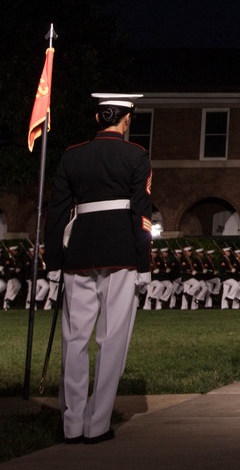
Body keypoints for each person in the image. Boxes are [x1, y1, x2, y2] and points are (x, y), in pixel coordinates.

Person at [43, 93, 153, 444]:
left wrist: (54, 263)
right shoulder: (136, 155)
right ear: (126, 120)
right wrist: (145, 263)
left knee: (75, 340)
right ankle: (98, 423)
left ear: (98, 118)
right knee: (112, 340)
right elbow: (141, 213)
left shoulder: (72, 155)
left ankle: (72, 423)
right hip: (121, 251)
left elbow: (57, 213)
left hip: (79, 254)